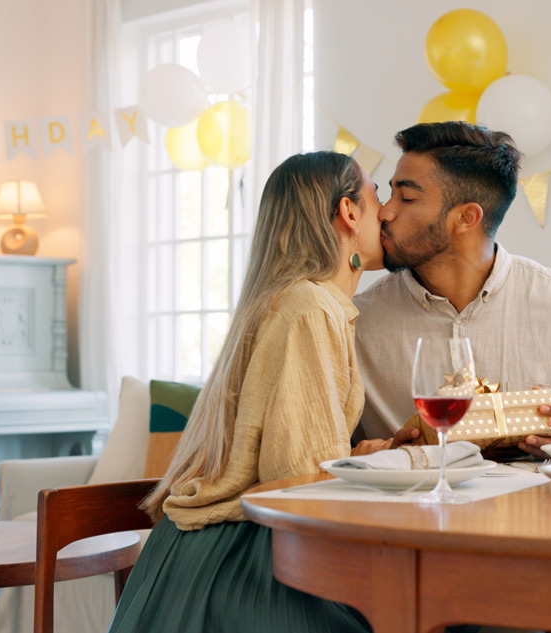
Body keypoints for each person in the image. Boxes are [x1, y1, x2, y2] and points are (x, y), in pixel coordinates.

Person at [109, 152, 384, 633]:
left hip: (193, 553)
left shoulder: (303, 301)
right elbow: (299, 479)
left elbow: (287, 452)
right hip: (242, 559)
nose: (388, 212)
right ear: (349, 212)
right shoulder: (310, 307)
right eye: (378, 196)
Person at [354, 122, 551, 455]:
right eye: (390, 193)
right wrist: (379, 451)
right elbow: (326, 453)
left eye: (406, 197)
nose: (386, 211)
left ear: (466, 218)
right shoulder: (356, 321)